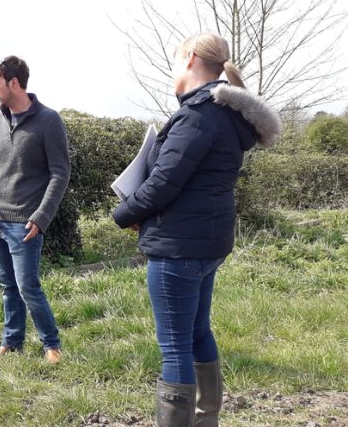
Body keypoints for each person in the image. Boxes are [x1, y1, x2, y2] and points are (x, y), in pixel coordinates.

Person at [111, 33, 280, 426]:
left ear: (189, 59)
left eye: (174, 62)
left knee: (174, 348)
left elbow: (164, 183)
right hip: (206, 244)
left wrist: (123, 214)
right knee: (198, 332)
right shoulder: (226, 115)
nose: (173, 72)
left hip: (178, 247)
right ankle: (206, 421)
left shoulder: (199, 114)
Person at [0, 55, 70, 364]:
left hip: (25, 223)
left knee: (28, 288)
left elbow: (60, 173)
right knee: (8, 287)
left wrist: (42, 216)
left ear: (14, 83)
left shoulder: (49, 121)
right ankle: (12, 342)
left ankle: (52, 345)